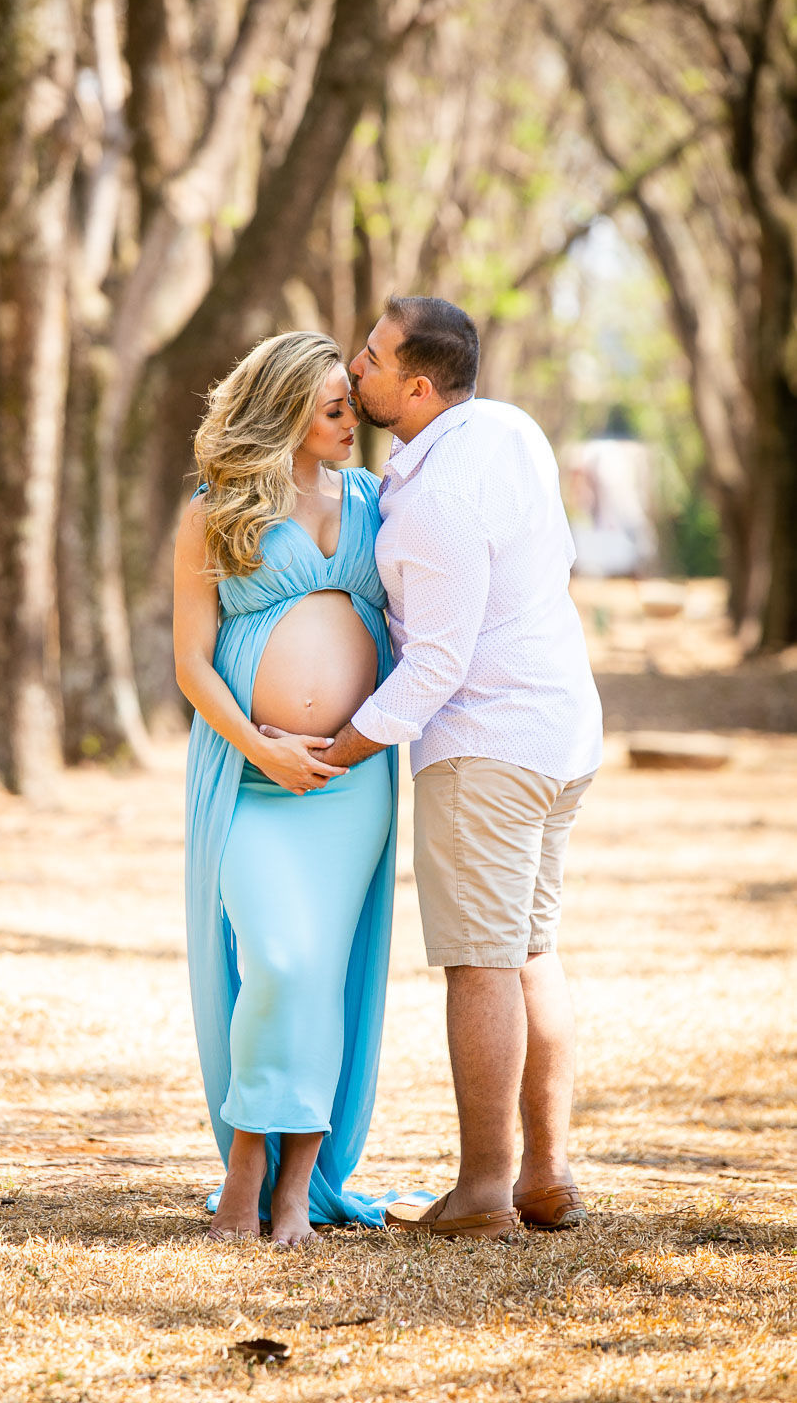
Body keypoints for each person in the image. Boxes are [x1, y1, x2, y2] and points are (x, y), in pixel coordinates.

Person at [314, 295, 603, 1242]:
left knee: (479, 964)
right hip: (558, 732)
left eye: (370, 358)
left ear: (418, 385)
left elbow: (437, 661)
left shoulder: (437, 496)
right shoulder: (507, 430)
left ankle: (483, 1189)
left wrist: (342, 746)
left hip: (486, 741)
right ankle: (544, 1175)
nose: (354, 370)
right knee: (528, 949)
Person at [173, 329, 399, 1247]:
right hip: (250, 775)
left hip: (352, 785)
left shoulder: (378, 502)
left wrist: (348, 748)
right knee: (278, 959)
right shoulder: (213, 510)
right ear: (283, 409)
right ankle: (244, 1166)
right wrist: (262, 753)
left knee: (324, 971)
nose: (354, 421)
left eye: (353, 403)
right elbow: (190, 664)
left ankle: (298, 1185)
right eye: (335, 408)